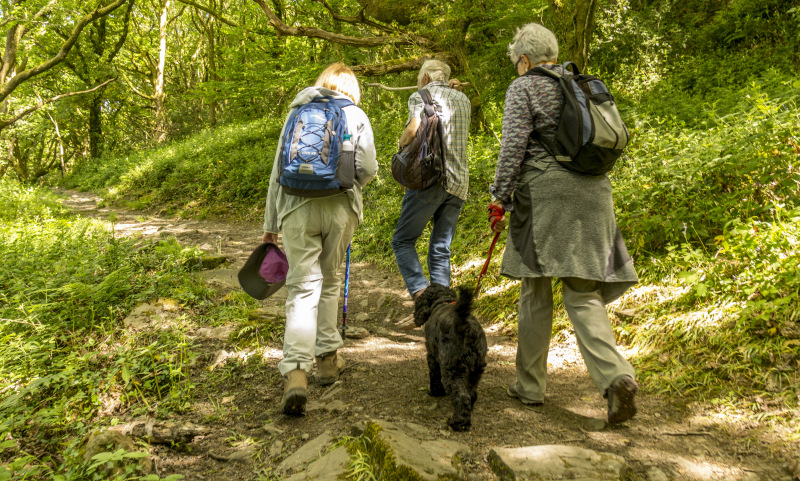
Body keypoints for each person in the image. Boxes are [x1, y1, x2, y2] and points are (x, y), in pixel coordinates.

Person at [488, 23, 640, 424]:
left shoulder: (523, 88)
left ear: (524, 60)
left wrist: (498, 198)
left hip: (545, 196)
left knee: (535, 289)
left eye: (515, 63)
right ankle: (617, 378)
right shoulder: (581, 84)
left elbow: (513, 148)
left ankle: (529, 387)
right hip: (595, 193)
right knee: (582, 292)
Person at [262, 63, 377, 415]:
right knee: (328, 282)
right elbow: (369, 169)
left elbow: (277, 171)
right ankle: (327, 360)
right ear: (351, 87)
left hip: (296, 207)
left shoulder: (297, 111)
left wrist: (271, 225)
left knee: (301, 287)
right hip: (340, 207)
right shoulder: (355, 114)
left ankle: (297, 371)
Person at [391, 59, 471, 321]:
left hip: (430, 180)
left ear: (425, 77)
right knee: (440, 247)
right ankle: (443, 310)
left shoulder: (420, 96)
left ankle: (423, 296)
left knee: (402, 240)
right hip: (459, 183)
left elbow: (413, 131)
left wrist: (400, 145)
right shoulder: (463, 100)